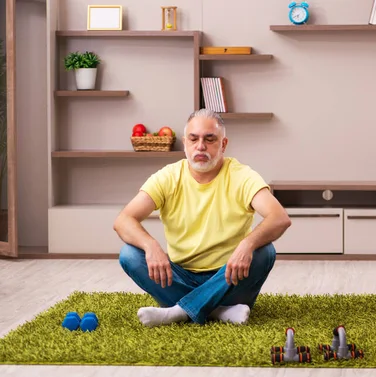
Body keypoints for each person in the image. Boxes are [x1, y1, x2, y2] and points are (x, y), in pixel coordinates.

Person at [113, 109, 292, 328]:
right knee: (130, 254)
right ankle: (218, 311)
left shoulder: (241, 175)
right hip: (179, 276)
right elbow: (124, 220)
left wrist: (247, 244)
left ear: (223, 144)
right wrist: (150, 245)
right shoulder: (168, 177)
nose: (200, 146)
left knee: (265, 251)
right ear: (185, 143)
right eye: (194, 139)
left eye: (210, 139)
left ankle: (179, 310)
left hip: (229, 278)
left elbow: (279, 218)